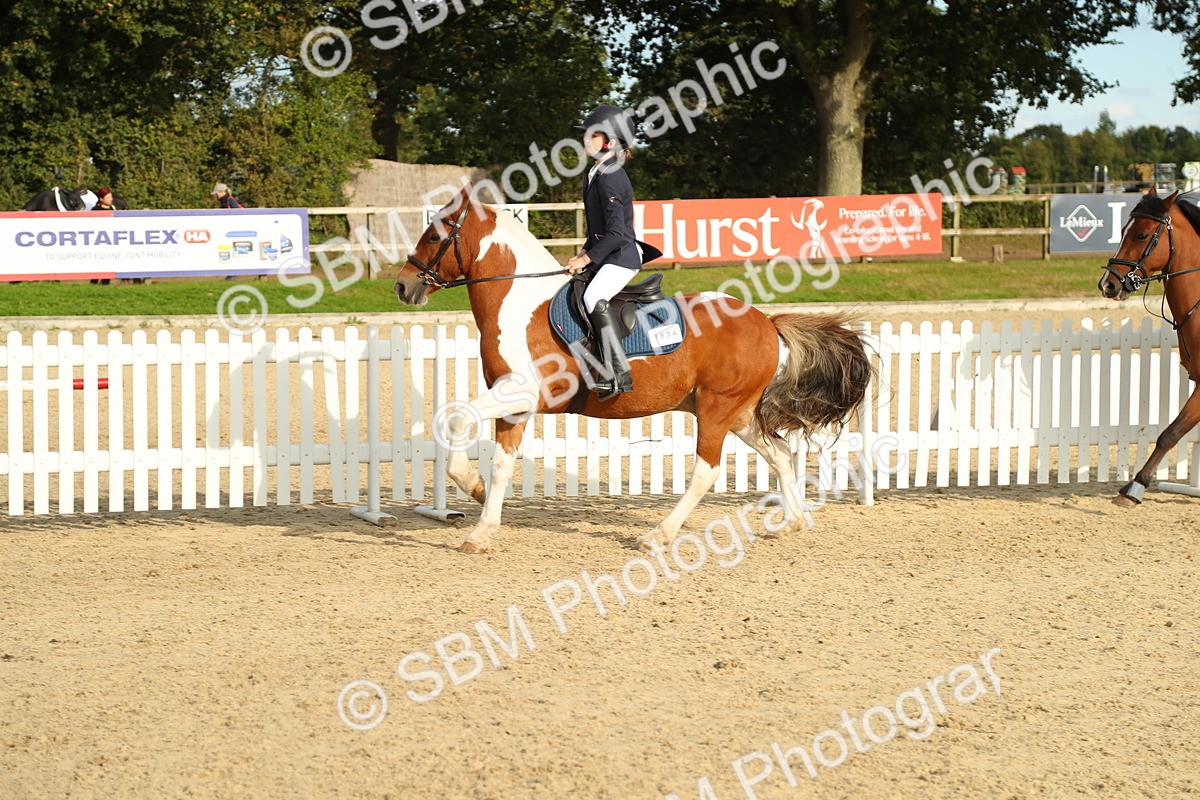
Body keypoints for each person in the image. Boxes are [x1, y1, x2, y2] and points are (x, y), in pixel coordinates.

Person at [565, 104, 644, 400]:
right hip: (607, 253)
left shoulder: (611, 176)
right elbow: (597, 229)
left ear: (610, 141)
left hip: (621, 258)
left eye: (592, 134)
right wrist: (583, 252)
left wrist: (588, 258)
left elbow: (617, 233)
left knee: (592, 297)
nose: (586, 139)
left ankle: (619, 372)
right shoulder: (597, 172)